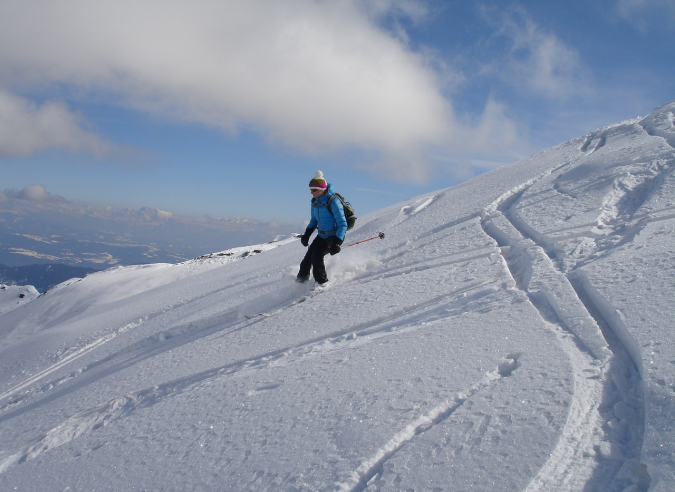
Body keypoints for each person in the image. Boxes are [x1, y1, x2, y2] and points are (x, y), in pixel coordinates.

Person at [297, 170, 348, 285]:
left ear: (322, 189)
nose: (311, 192)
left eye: (314, 190)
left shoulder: (334, 201)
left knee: (317, 254)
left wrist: (337, 242)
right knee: (307, 260)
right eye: (310, 189)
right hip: (321, 235)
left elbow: (342, 224)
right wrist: (306, 235)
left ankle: (322, 283)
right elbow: (314, 220)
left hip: (333, 236)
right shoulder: (315, 201)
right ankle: (300, 282)